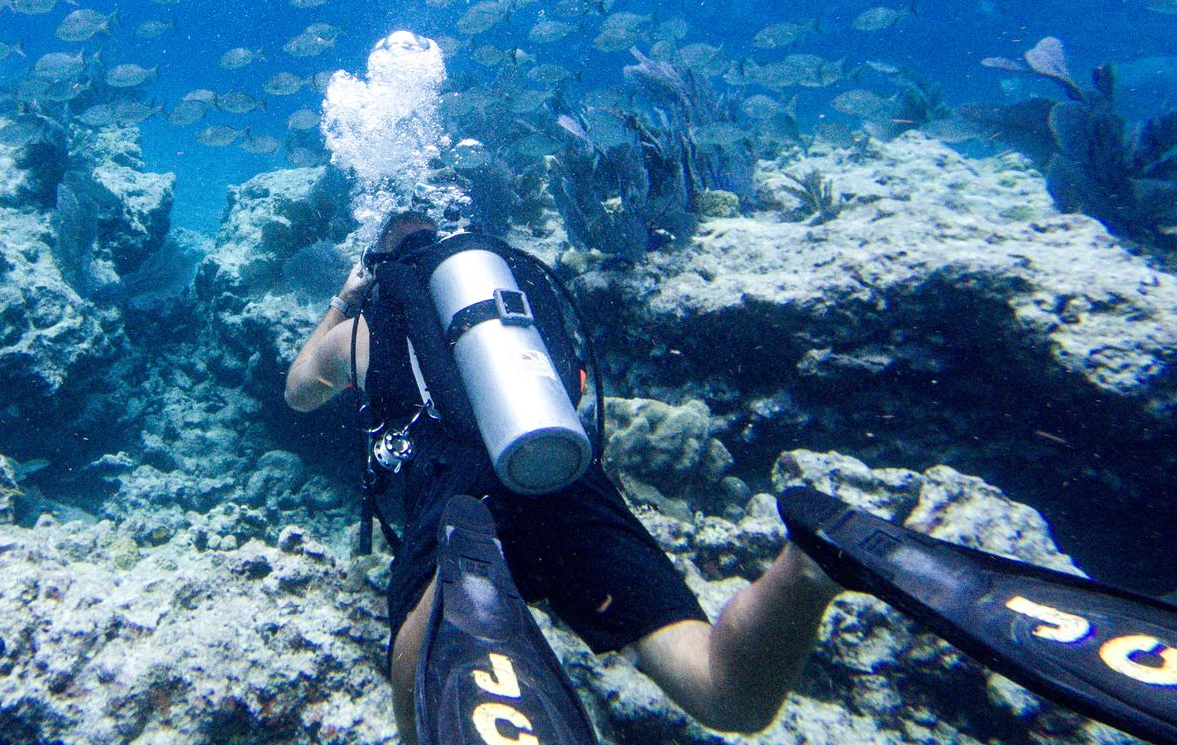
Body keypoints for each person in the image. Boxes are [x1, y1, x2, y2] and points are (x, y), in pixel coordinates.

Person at [285, 209, 844, 743]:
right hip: (556, 469)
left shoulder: (359, 332)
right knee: (726, 693)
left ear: (383, 268)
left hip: (458, 507)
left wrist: (342, 300)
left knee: (432, 694)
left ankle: (480, 604)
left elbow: (299, 391)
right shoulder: (516, 305)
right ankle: (808, 567)